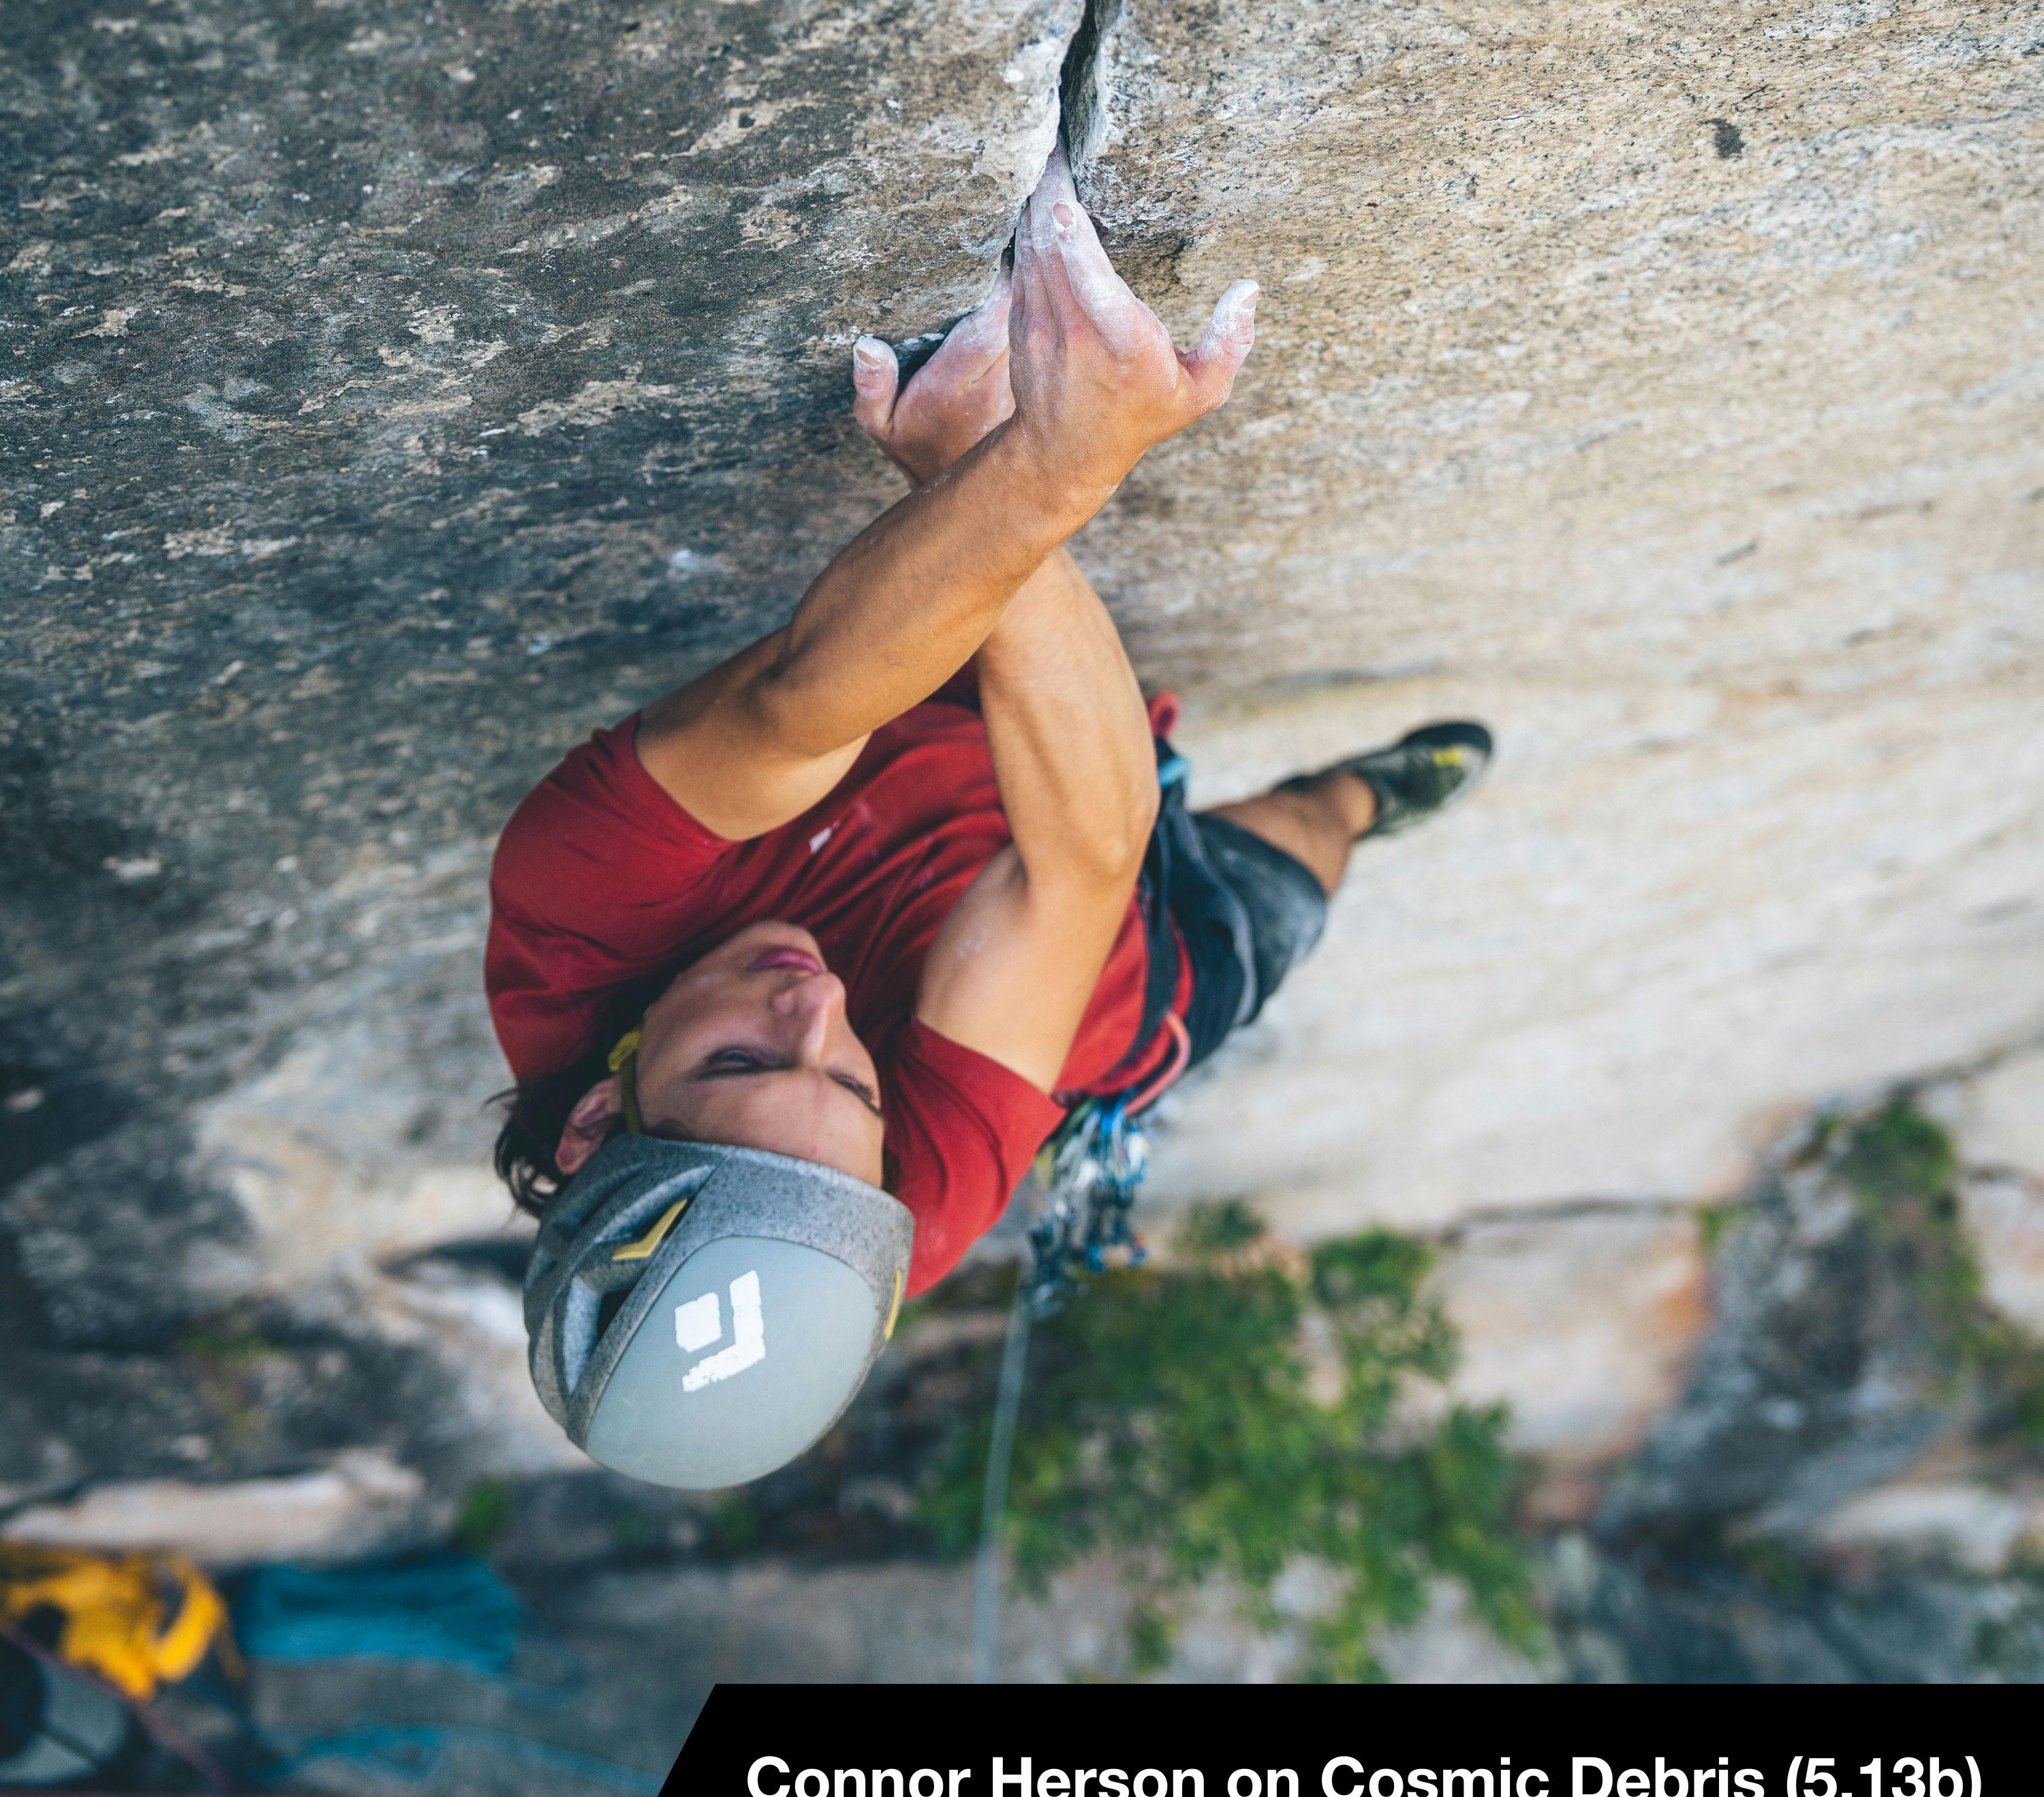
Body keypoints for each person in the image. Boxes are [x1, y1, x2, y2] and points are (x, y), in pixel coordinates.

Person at [490, 144, 1491, 1486]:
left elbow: (799, 698)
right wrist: (1018, 477)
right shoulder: (894, 1206)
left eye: (736, 1065)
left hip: (1011, 741)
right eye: (853, 1084)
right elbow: (1086, 861)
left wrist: (1017, 474)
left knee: (1219, 836)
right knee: (1288, 874)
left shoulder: (577, 918)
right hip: (1103, 961)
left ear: (596, 1124)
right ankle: (1363, 796)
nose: (815, 1008)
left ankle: (1350, 797)